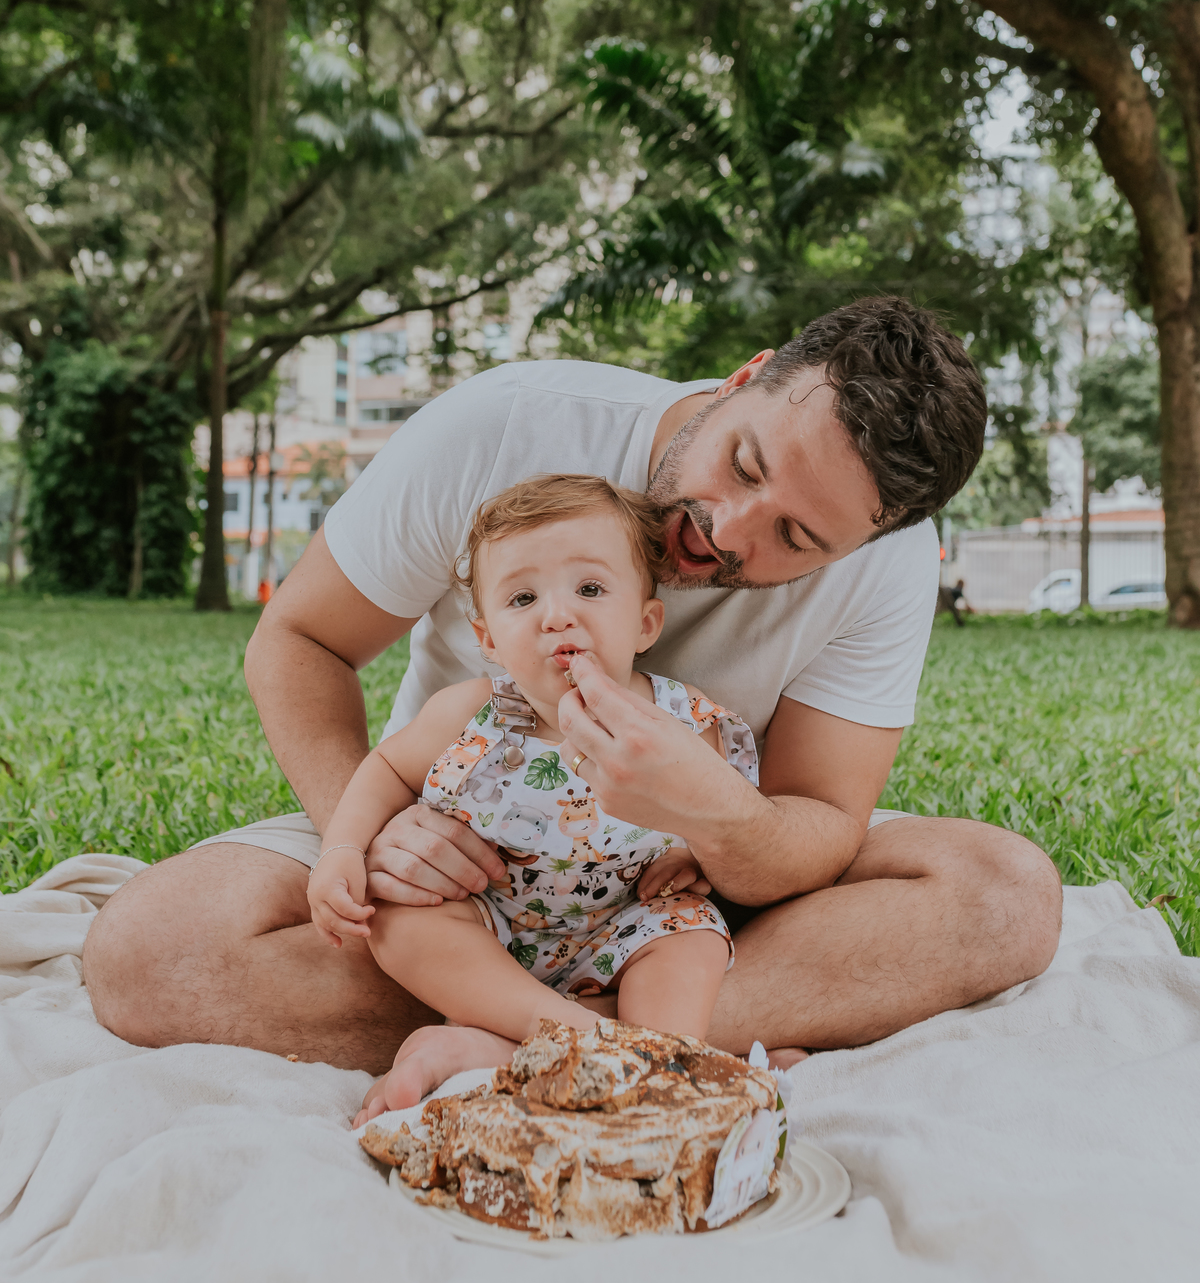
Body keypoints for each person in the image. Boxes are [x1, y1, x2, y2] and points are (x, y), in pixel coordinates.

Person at [83, 296, 1063, 1072]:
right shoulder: (508, 425)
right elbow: (297, 639)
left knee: (1006, 895)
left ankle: (540, 1040)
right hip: (465, 866)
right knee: (150, 950)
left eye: (795, 539)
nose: (726, 528)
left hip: (683, 902)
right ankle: (651, 1046)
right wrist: (375, 829)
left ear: (863, 542)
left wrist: (720, 818)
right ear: (748, 377)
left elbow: (819, 821)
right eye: (744, 462)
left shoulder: (884, 568)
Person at [311, 474, 758, 1120]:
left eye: (591, 589)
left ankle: (645, 1056)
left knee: (692, 935)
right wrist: (343, 848)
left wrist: (700, 855)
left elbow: (728, 818)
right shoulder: (469, 714)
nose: (557, 615)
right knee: (398, 917)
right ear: (488, 639)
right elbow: (385, 769)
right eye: (522, 598)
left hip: (625, 925)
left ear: (645, 622)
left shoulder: (685, 726)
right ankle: (601, 1045)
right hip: (491, 920)